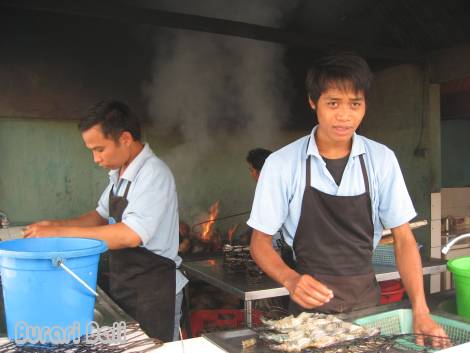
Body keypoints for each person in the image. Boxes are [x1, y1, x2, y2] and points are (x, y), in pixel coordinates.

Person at [248, 54, 448, 347]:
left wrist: (420, 309)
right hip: (308, 318)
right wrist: (291, 280)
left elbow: (404, 240)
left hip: (370, 310)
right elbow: (260, 242)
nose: (345, 116)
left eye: (355, 104)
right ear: (313, 102)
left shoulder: (381, 160)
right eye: (333, 103)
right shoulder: (282, 164)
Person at [23, 100, 187, 342]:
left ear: (125, 139)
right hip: (128, 285)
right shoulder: (120, 174)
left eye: (99, 149)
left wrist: (59, 233)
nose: (95, 159)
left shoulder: (153, 174)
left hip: (155, 293)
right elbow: (99, 216)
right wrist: (54, 225)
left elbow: (129, 234)